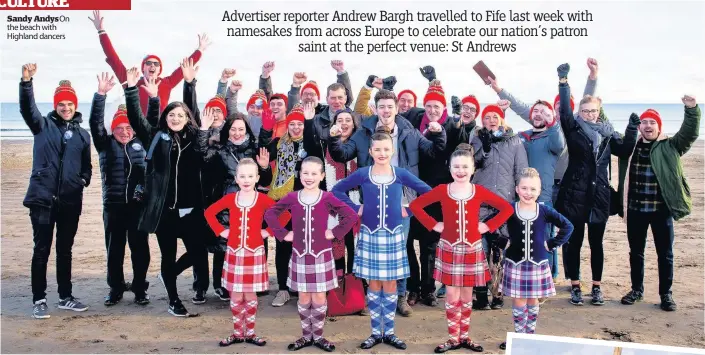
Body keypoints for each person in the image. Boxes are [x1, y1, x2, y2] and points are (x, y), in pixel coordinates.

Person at [328, 89, 447, 317]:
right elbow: (342, 154)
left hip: (400, 203)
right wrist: (334, 138)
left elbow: (433, 152)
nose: (385, 111)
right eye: (381, 106)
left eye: (389, 106)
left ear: (395, 108)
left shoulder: (408, 131)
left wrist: (438, 133)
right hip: (371, 204)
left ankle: (400, 297)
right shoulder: (364, 133)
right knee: (370, 253)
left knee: (399, 253)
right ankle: (371, 298)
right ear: (376, 108)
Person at [488, 58, 599, 280]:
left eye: (562, 108)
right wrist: (498, 89)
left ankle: (552, 274)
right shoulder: (536, 128)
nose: (557, 111)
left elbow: (589, 101)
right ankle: (549, 273)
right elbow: (520, 108)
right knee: (540, 230)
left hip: (565, 187)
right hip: (541, 187)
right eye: (555, 107)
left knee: (554, 230)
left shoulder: (570, 126)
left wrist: (592, 78)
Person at [332, 132, 435, 350]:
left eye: (386, 149)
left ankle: (388, 332)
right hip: (370, 234)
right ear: (370, 151)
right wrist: (355, 208)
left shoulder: (400, 173)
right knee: (373, 284)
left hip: (393, 235)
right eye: (377, 149)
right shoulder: (363, 173)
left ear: (393, 151)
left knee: (390, 284)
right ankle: (374, 333)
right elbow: (337, 190)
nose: (382, 153)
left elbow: (428, 193)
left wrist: (409, 209)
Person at [124, 59, 209, 317]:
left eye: (180, 115)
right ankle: (174, 299)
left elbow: (202, 149)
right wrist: (130, 90)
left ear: (187, 118)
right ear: (166, 117)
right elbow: (136, 119)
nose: (175, 118)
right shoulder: (156, 137)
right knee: (168, 254)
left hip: (191, 209)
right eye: (171, 114)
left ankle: (166, 275)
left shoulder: (195, 138)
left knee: (198, 251)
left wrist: (190, 82)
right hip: (164, 211)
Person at [409, 146, 514, 353]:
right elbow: (416, 206)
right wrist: (434, 224)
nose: (461, 170)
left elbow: (507, 208)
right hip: (449, 248)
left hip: (472, 249)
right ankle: (452, 338)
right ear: (450, 168)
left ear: (473, 168)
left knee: (467, 296)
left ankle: (464, 336)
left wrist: (487, 226)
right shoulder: (442, 190)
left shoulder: (478, 191)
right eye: (456, 166)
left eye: (465, 166)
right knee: (451, 296)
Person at [554, 63, 638, 306]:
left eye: (593, 111)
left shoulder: (609, 133)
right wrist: (563, 81)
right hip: (575, 194)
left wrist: (632, 128)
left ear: (599, 112)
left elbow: (625, 149)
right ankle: (576, 285)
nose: (589, 114)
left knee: (597, 244)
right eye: (585, 110)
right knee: (575, 242)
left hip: (599, 196)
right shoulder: (573, 129)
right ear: (579, 112)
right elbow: (564, 113)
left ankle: (597, 287)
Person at [20, 63, 92, 318]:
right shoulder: (42, 126)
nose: (66, 107)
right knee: (42, 249)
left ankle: (65, 296)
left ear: (75, 105)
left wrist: (83, 180)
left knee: (65, 250)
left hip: (70, 201)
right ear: (55, 105)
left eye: (69, 104)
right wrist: (27, 83)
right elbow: (28, 109)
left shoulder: (83, 135)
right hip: (42, 198)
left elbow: (87, 166)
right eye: (61, 104)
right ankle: (39, 299)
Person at [265, 156, 358, 352]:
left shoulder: (327, 198)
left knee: (319, 299)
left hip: (322, 255)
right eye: (305, 173)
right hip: (300, 256)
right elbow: (270, 213)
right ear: (300, 175)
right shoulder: (292, 197)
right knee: (304, 298)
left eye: (314, 173)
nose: (309, 177)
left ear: (322, 175)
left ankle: (319, 336)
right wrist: (283, 233)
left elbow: (349, 215)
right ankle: (306, 336)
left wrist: (335, 233)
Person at [617, 97, 700, 311]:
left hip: (661, 211)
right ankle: (637, 290)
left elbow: (689, 133)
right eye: (644, 122)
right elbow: (607, 129)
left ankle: (666, 294)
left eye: (652, 122)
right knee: (636, 252)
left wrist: (691, 109)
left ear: (659, 126)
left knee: (665, 254)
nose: (648, 125)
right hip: (635, 209)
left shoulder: (670, 145)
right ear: (639, 126)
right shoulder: (630, 147)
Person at [88, 73, 150, 306]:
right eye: (119, 128)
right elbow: (95, 122)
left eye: (128, 127)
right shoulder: (105, 144)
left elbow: (148, 118)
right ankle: (115, 288)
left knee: (140, 251)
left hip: (137, 206)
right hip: (113, 207)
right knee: (114, 251)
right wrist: (101, 94)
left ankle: (140, 289)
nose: (124, 131)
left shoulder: (141, 142)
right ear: (112, 129)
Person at [496, 168, 574, 350]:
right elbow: (491, 224)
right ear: (517, 189)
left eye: (532, 189)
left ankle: (529, 336)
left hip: (538, 265)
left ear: (539, 191)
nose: (528, 193)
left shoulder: (545, 210)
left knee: (533, 301)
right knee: (519, 301)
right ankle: (518, 337)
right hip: (515, 264)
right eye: (524, 188)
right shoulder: (510, 208)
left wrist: (552, 243)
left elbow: (567, 226)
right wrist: (501, 242)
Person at [204, 158, 279, 347]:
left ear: (257, 178)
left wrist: (268, 231)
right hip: (235, 253)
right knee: (236, 294)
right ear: (236, 179)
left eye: (250, 176)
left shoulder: (262, 199)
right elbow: (209, 212)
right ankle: (238, 332)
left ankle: (251, 333)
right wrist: (221, 231)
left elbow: (283, 213)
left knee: (251, 294)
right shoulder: (231, 198)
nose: (246, 180)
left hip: (254, 253)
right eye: (242, 176)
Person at [88, 10, 211, 115]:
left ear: (159, 70)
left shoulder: (167, 83)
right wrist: (101, 31)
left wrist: (200, 50)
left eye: (156, 64)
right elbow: (113, 58)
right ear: (143, 68)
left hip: (160, 131)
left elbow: (186, 66)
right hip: (139, 132)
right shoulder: (132, 82)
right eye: (149, 63)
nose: (152, 65)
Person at [470, 103, 529, 310]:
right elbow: (471, 165)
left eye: (495, 116)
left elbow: (520, 170)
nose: (491, 120)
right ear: (482, 120)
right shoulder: (476, 137)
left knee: (500, 251)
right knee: (480, 250)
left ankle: (497, 293)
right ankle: (480, 295)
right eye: (487, 117)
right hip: (480, 204)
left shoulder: (513, 141)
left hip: (504, 203)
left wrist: (519, 198)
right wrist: (484, 149)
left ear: (502, 119)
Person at [259, 104, 309, 307]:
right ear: (287, 125)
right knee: (282, 246)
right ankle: (283, 288)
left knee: (303, 245)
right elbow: (263, 164)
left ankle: (301, 285)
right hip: (281, 200)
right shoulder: (279, 143)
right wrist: (263, 167)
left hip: (305, 202)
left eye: (300, 124)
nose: (296, 127)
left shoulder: (311, 144)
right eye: (292, 124)